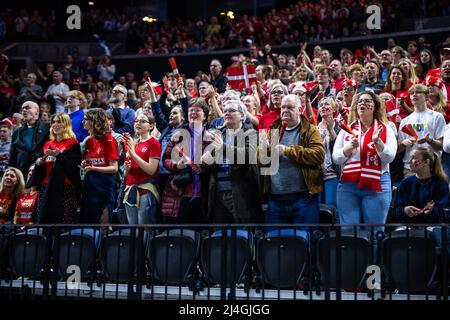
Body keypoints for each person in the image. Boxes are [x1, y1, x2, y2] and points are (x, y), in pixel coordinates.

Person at [332, 91, 397, 231]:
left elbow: (389, 157)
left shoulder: (386, 128)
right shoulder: (346, 129)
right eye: (360, 101)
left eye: (368, 101)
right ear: (356, 107)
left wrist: (377, 142)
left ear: (375, 107)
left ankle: (374, 254)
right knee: (349, 233)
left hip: (377, 184)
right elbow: (336, 158)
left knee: (374, 234)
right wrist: (348, 148)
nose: (363, 104)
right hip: (348, 185)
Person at [262, 94, 325, 229]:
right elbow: (261, 162)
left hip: (304, 198)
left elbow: (319, 155)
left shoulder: (310, 130)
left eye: (290, 107)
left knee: (304, 240)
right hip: (276, 198)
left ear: (300, 109)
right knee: (273, 242)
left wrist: (288, 150)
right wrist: (265, 150)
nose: (285, 110)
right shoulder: (273, 130)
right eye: (283, 107)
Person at [201, 100, 262, 223]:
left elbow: (247, 155)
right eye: (225, 111)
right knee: (220, 236)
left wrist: (223, 147)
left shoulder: (251, 133)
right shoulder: (219, 134)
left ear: (242, 116)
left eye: (232, 110)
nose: (227, 113)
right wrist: (206, 161)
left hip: (242, 193)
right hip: (217, 192)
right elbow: (214, 161)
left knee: (242, 235)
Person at [161, 98, 210, 223]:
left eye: (197, 110)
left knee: (200, 232)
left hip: (203, 192)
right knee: (180, 234)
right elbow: (166, 159)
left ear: (205, 116)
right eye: (191, 110)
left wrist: (204, 167)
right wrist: (176, 165)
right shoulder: (178, 135)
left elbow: (216, 163)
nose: (193, 113)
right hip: (179, 192)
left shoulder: (211, 137)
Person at [32, 113, 81, 223]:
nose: (55, 124)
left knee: (62, 224)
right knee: (45, 223)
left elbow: (73, 167)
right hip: (46, 187)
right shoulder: (47, 144)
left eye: (59, 122)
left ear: (66, 124)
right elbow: (41, 165)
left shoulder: (72, 143)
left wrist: (58, 155)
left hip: (64, 188)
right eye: (53, 122)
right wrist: (39, 163)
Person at [79, 108, 118, 224]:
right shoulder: (89, 140)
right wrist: (84, 164)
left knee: (103, 224)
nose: (83, 122)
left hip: (104, 186)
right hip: (90, 185)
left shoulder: (109, 139)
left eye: (86, 119)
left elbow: (114, 168)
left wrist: (94, 168)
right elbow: (89, 161)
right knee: (88, 222)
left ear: (95, 121)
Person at [398, 84, 446, 178]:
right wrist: (403, 144)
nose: (414, 95)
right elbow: (398, 149)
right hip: (410, 168)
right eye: (412, 93)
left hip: (432, 167)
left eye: (418, 92)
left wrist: (430, 141)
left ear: (427, 96)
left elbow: (442, 145)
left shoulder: (437, 117)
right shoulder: (405, 121)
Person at [122, 113, 161, 225]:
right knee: (132, 229)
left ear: (151, 126)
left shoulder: (154, 143)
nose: (138, 123)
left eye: (143, 121)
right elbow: (125, 174)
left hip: (144, 191)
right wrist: (126, 169)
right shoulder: (133, 143)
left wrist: (133, 154)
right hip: (130, 191)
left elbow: (151, 170)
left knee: (144, 230)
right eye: (136, 121)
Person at [393, 147, 448, 224]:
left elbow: (444, 212)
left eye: (414, 158)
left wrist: (432, 211)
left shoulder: (441, 183)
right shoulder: (405, 183)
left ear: (426, 162)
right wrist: (405, 210)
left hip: (433, 227)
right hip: (408, 227)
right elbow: (395, 210)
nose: (409, 161)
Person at [9, 101, 50, 177]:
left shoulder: (47, 127)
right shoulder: (17, 131)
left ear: (37, 112)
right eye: (23, 109)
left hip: (41, 171)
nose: (24, 110)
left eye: (27, 108)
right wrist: (11, 171)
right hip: (21, 173)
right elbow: (13, 154)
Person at [317, 97, 341, 209]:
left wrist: (331, 130)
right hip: (316, 176)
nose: (323, 106)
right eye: (321, 105)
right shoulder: (314, 128)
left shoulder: (339, 126)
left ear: (334, 109)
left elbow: (339, 147)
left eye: (326, 104)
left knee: (331, 207)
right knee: (317, 208)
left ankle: (333, 228)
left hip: (332, 174)